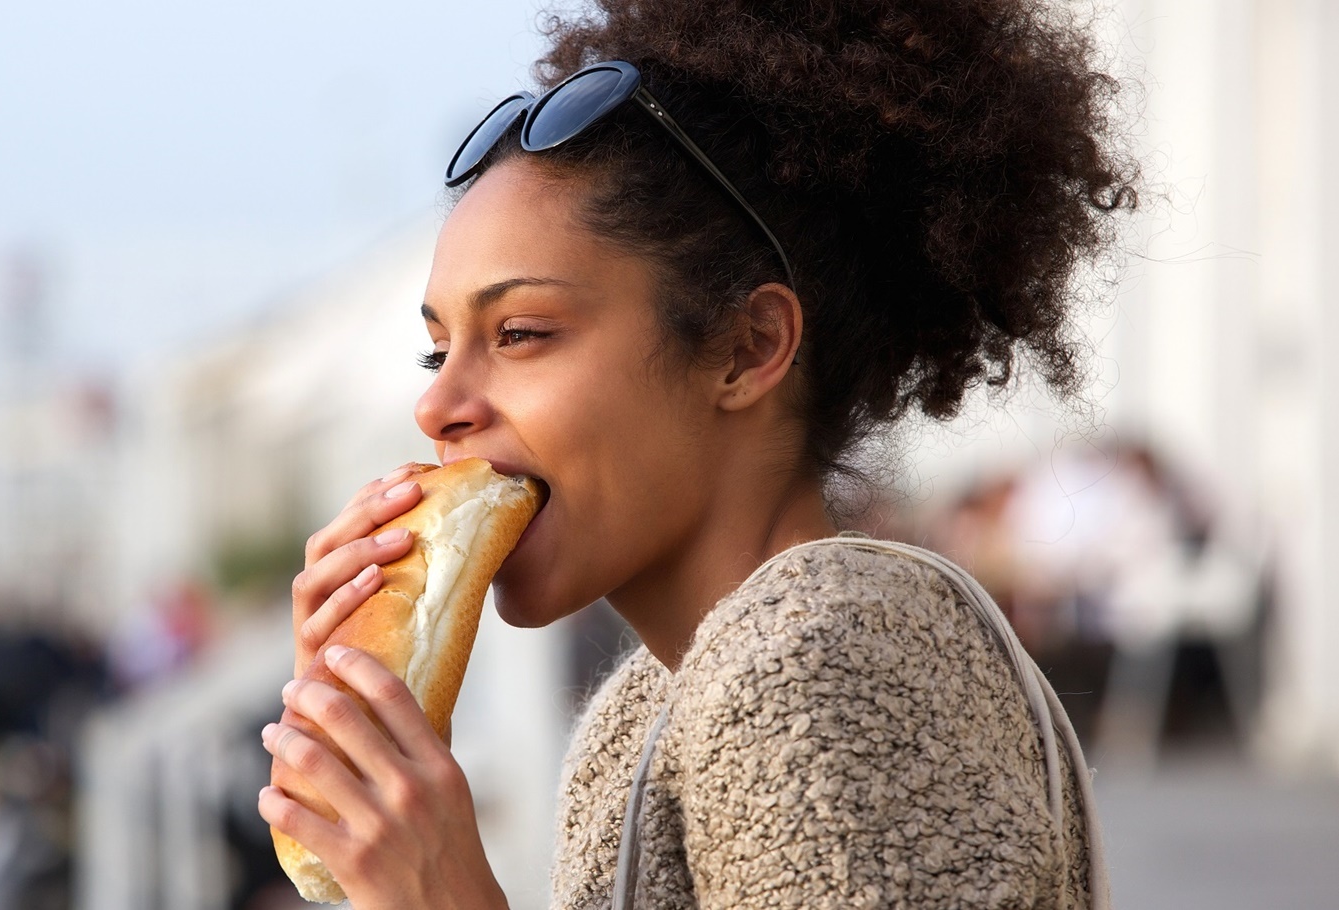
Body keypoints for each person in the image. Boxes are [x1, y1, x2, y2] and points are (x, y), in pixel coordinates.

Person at [258, 1, 1136, 907]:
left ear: (746, 348)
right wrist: (365, 763)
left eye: (519, 333)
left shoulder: (814, 663)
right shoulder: (643, 714)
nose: (436, 404)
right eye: (437, 351)